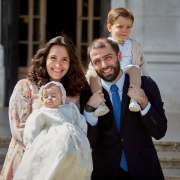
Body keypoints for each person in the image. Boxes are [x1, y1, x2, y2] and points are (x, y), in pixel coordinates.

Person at [0, 35, 91, 180]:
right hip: (26, 160)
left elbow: (78, 129)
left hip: (60, 167)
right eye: (53, 58)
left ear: (71, 63)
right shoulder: (25, 87)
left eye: (64, 60)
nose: (58, 65)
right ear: (45, 59)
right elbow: (19, 129)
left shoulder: (75, 94)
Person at [84, 38, 167, 179]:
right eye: (97, 61)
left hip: (145, 170)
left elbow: (159, 131)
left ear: (119, 56)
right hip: (104, 172)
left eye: (108, 58)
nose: (104, 65)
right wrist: (90, 110)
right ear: (92, 65)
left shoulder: (146, 85)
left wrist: (144, 103)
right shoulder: (87, 95)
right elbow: (87, 142)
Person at [13, 81, 92, 180]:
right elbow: (33, 125)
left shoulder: (70, 108)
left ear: (62, 98)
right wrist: (30, 141)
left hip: (74, 141)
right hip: (51, 142)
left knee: (75, 164)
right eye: (46, 96)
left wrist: (82, 135)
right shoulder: (42, 112)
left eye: (53, 96)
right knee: (51, 163)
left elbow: (80, 121)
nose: (49, 98)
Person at [86, 7, 147, 116]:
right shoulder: (104, 44)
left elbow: (142, 65)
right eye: (120, 26)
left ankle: (134, 99)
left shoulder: (134, 46)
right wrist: (90, 75)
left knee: (135, 69)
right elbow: (94, 64)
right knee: (93, 74)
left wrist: (147, 79)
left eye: (128, 27)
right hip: (108, 72)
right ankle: (100, 104)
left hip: (126, 73)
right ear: (110, 27)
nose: (125, 30)